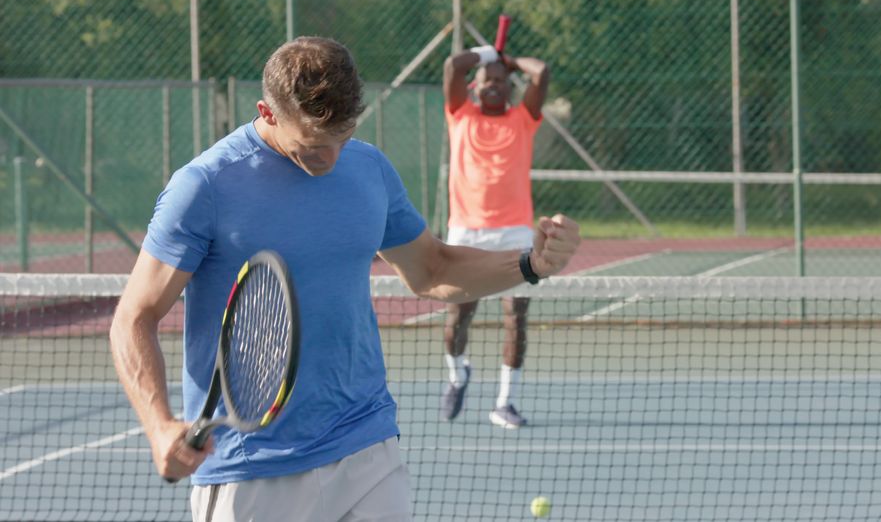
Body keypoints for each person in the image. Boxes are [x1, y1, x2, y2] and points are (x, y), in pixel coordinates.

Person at [109, 36, 579, 521]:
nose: (330, 158)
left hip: (367, 446)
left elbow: (433, 269)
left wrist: (530, 264)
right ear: (267, 113)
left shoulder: (369, 168)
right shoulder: (204, 187)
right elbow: (133, 317)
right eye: (313, 144)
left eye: (343, 136)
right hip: (252, 468)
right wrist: (159, 424)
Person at [438, 43, 550, 429]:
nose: (494, 87)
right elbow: (454, 65)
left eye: (502, 82)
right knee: (458, 317)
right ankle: (458, 374)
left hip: (516, 232)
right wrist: (486, 54)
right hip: (466, 231)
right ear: (475, 86)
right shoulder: (459, 114)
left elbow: (542, 72)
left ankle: (505, 402)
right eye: (488, 80)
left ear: (509, 87)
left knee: (515, 317)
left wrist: (510, 61)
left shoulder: (523, 118)